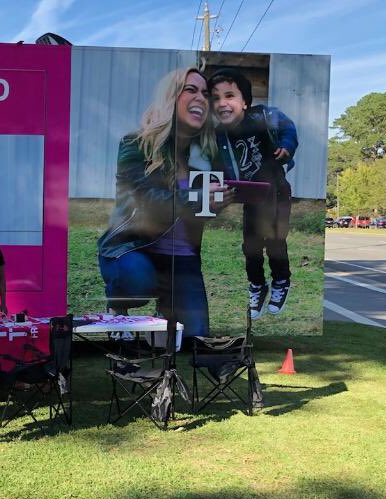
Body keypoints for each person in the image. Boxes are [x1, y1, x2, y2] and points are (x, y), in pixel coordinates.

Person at [96, 68, 232, 338]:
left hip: (182, 259)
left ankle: (166, 311)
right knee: (139, 280)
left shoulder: (204, 155)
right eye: (190, 90)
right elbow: (148, 201)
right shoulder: (136, 145)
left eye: (205, 93)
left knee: (197, 336)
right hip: (134, 249)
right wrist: (198, 199)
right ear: (170, 98)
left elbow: (200, 213)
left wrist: (218, 203)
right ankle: (117, 302)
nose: (201, 98)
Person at [209, 68, 299, 319]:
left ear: (245, 102)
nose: (222, 102)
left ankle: (281, 281)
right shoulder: (219, 134)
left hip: (277, 193)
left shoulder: (264, 116)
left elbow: (288, 128)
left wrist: (286, 146)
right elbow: (218, 164)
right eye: (215, 98)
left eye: (229, 95)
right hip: (253, 196)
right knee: (250, 245)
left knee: (275, 241)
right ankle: (257, 285)